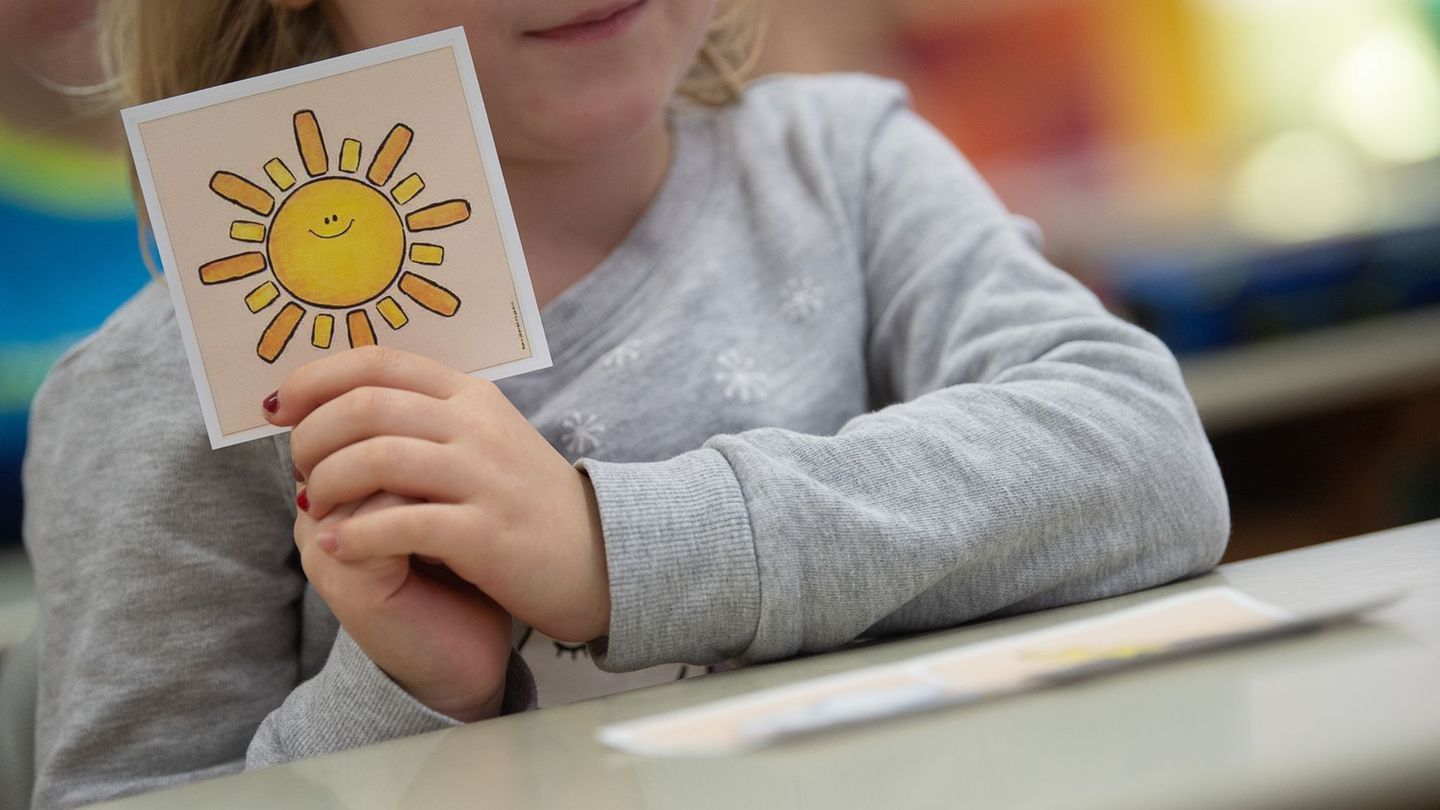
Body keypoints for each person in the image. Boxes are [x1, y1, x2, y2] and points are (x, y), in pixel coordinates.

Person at [21, 0, 1230, 808]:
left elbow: (1149, 459)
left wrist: (614, 547)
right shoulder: (164, 388)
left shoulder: (845, 162)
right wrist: (405, 699)